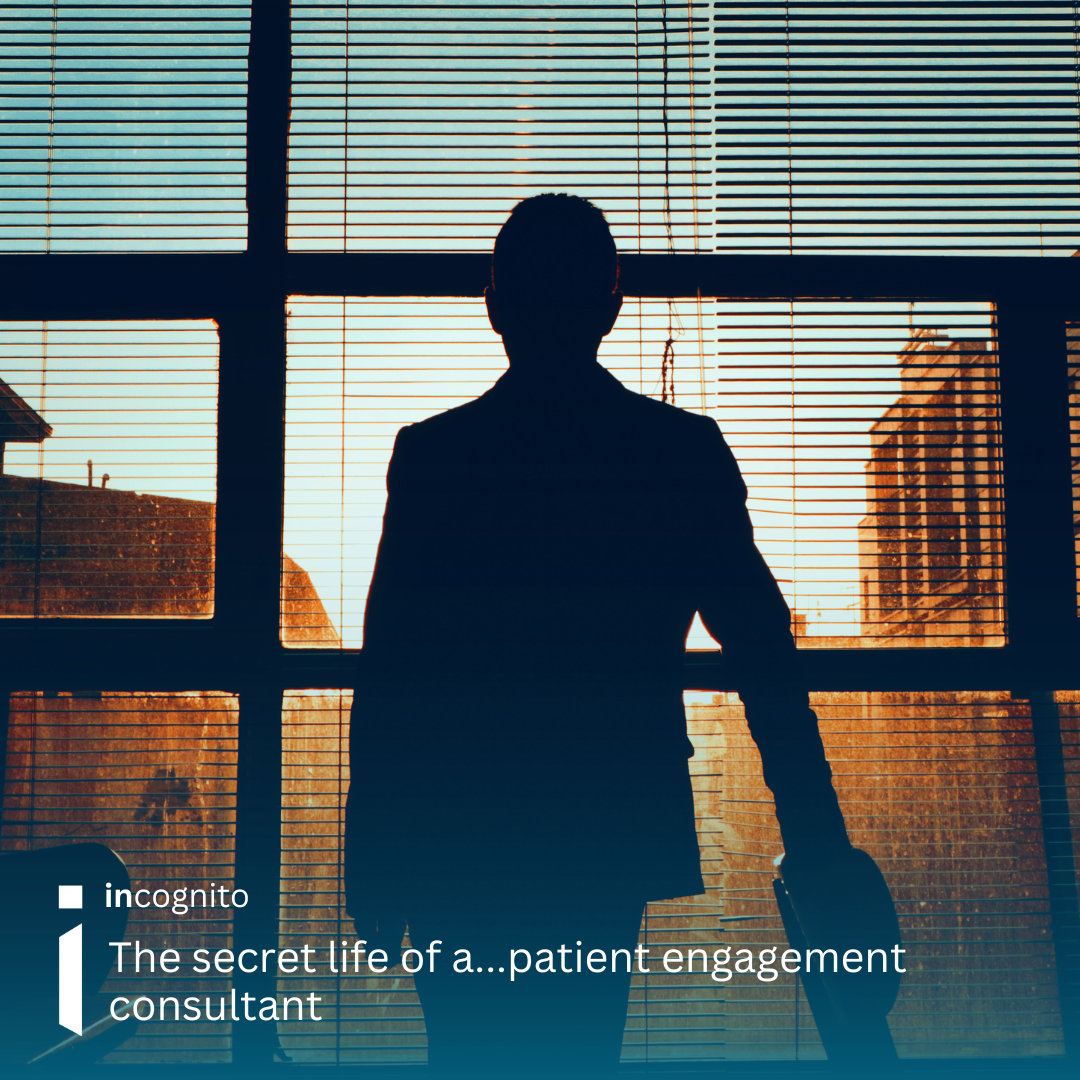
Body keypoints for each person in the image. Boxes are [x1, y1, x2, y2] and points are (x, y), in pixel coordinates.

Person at [345, 194, 858, 1077]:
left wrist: (373, 853)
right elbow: (763, 649)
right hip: (602, 822)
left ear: (494, 304)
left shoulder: (435, 456)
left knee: (465, 1051)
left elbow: (393, 666)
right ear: (611, 307)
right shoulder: (678, 451)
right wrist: (818, 840)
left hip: (456, 827)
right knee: (578, 1044)